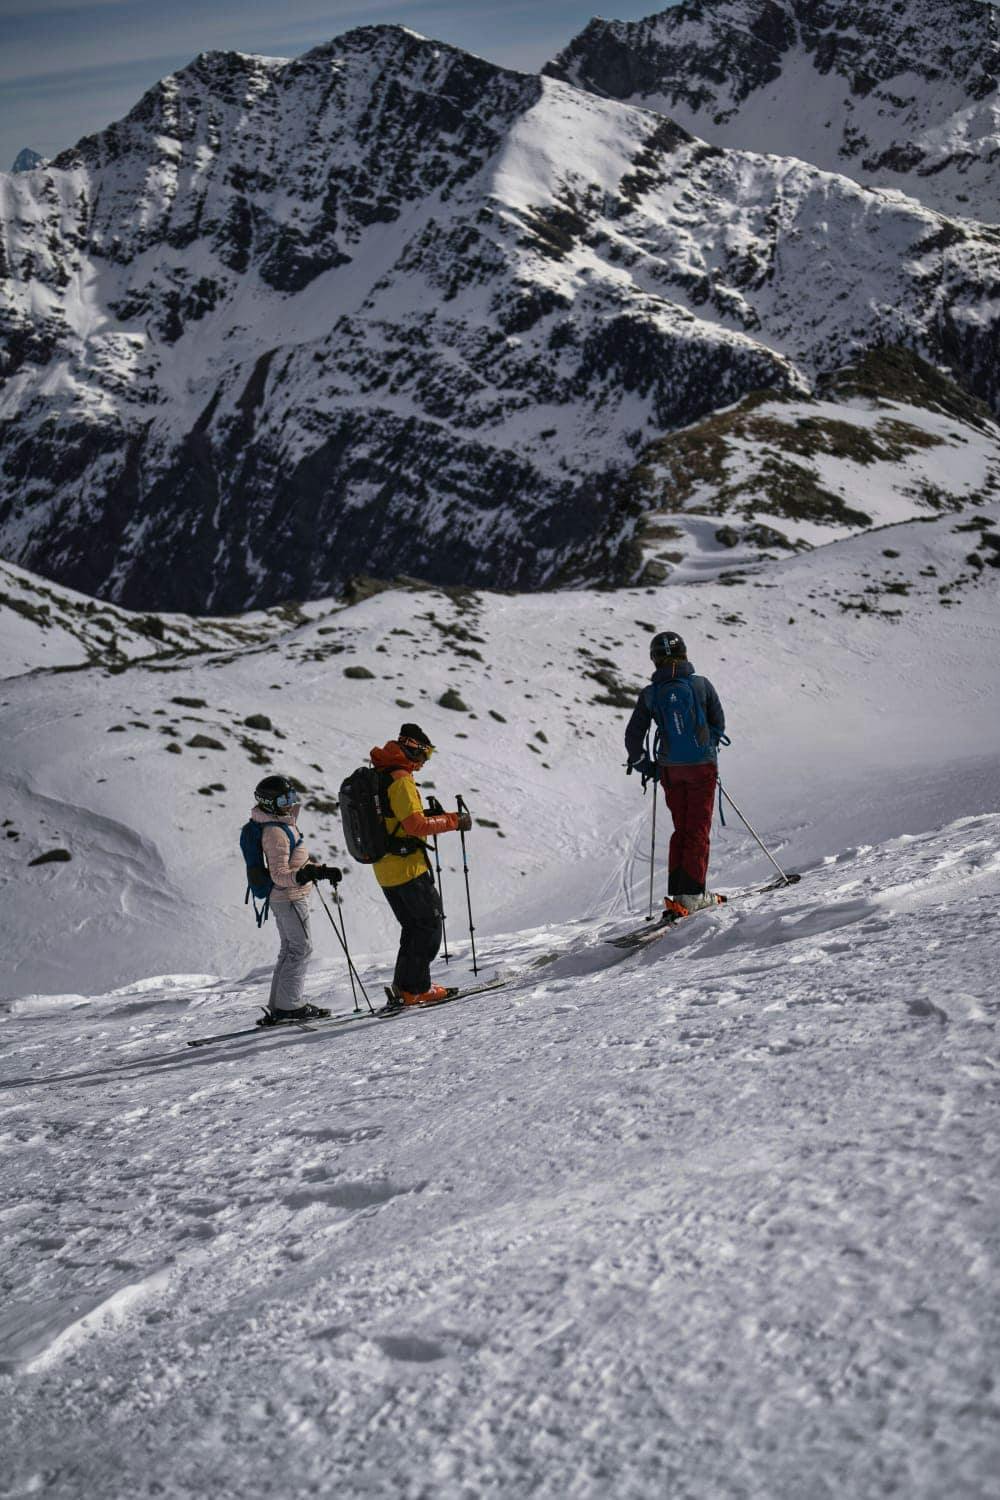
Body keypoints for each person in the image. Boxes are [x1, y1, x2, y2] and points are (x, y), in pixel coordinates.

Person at [624, 631, 726, 917]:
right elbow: (719, 723)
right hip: (702, 767)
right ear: (684, 653)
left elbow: (633, 737)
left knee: (682, 829)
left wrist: (648, 767)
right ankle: (692, 896)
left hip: (671, 771)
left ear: (654, 659)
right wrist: (706, 748)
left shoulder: (651, 694)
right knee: (698, 830)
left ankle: (681, 893)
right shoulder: (701, 685)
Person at [368, 724, 471, 1007]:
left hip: (385, 868)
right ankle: (416, 989)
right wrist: (454, 821)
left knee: (413, 927)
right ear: (413, 748)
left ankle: (406, 987)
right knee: (428, 925)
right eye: (426, 754)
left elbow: (396, 818)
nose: (425, 761)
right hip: (407, 868)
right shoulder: (400, 779)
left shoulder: (381, 774)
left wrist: (426, 814)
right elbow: (415, 826)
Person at [250, 774, 342, 1023]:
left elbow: (295, 863)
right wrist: (303, 875)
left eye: (291, 797)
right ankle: (289, 1006)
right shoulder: (275, 832)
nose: (290, 803)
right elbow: (279, 874)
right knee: (301, 948)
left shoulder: (281, 825)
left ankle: (280, 1005)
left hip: (286, 896)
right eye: (283, 800)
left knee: (290, 948)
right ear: (269, 803)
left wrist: (319, 870)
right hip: (289, 897)